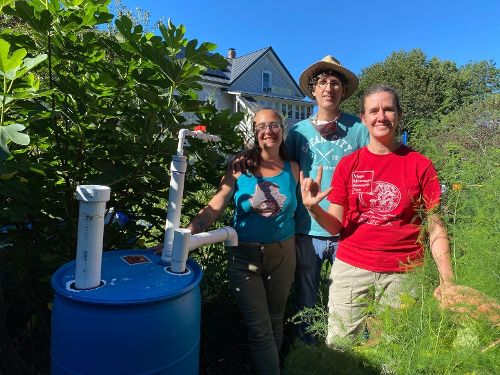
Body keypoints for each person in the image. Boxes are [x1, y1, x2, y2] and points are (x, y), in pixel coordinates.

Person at [300, 84, 455, 344]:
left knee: (395, 351)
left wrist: (448, 281)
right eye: (373, 111)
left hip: (403, 273)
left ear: (399, 115)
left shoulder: (420, 165)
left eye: (388, 109)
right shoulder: (349, 164)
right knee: (340, 347)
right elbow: (335, 226)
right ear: (363, 119)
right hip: (352, 268)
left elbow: (435, 227)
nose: (381, 116)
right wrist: (313, 208)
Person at [188, 108, 299, 374]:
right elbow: (216, 204)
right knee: (259, 330)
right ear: (254, 133)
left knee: (275, 321)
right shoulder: (240, 168)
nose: (268, 131)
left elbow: (308, 202)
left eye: (273, 125)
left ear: (283, 130)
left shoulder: (293, 169)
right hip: (244, 257)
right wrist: (186, 233)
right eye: (261, 126)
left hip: (283, 253)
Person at [287, 56, 369, 343]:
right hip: (307, 228)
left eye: (335, 83)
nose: (329, 88)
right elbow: (284, 168)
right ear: (313, 90)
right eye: (322, 82)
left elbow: (371, 169)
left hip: (347, 229)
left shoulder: (358, 129)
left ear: (343, 91)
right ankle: (306, 351)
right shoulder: (298, 131)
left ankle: (342, 350)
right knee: (306, 299)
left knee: (346, 299)